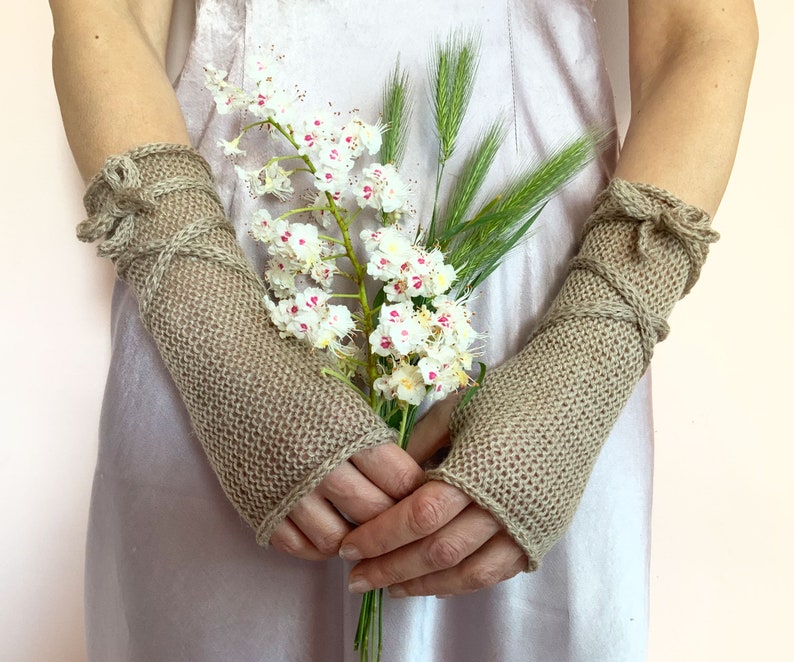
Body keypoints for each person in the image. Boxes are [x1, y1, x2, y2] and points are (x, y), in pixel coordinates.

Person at [50, 0, 757, 660]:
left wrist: (588, 353)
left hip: (537, 300)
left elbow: (701, 34)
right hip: (220, 269)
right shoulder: (210, 319)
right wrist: (215, 330)